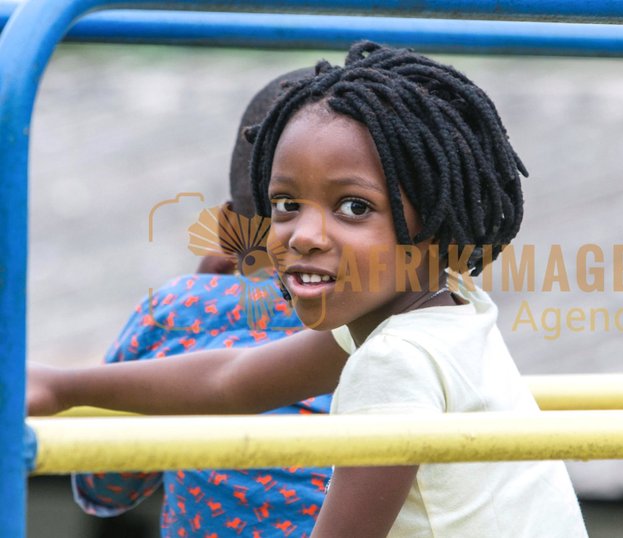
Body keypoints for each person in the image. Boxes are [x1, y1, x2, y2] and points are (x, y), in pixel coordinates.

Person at [29, 41, 588, 537]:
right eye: (286, 205)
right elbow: (232, 380)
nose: (304, 235)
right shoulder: (447, 315)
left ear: (438, 231)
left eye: (354, 207)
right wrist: (61, 387)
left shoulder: (395, 362)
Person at [71, 68, 333, 538]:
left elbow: (105, 485)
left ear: (229, 225)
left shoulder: (180, 313)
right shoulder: (419, 314)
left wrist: (197, 294)